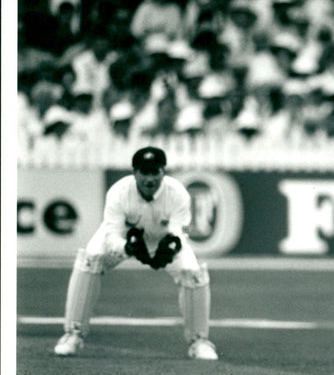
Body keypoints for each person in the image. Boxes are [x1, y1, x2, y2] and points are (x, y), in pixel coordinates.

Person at [53, 147, 218, 360]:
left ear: (163, 172)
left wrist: (167, 250)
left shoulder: (177, 193)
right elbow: (111, 235)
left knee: (192, 272)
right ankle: (73, 334)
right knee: (90, 259)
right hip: (124, 239)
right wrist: (128, 248)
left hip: (161, 239)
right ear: (134, 172)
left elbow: (178, 233)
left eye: (155, 172)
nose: (150, 179)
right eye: (144, 172)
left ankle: (199, 341)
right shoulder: (119, 192)